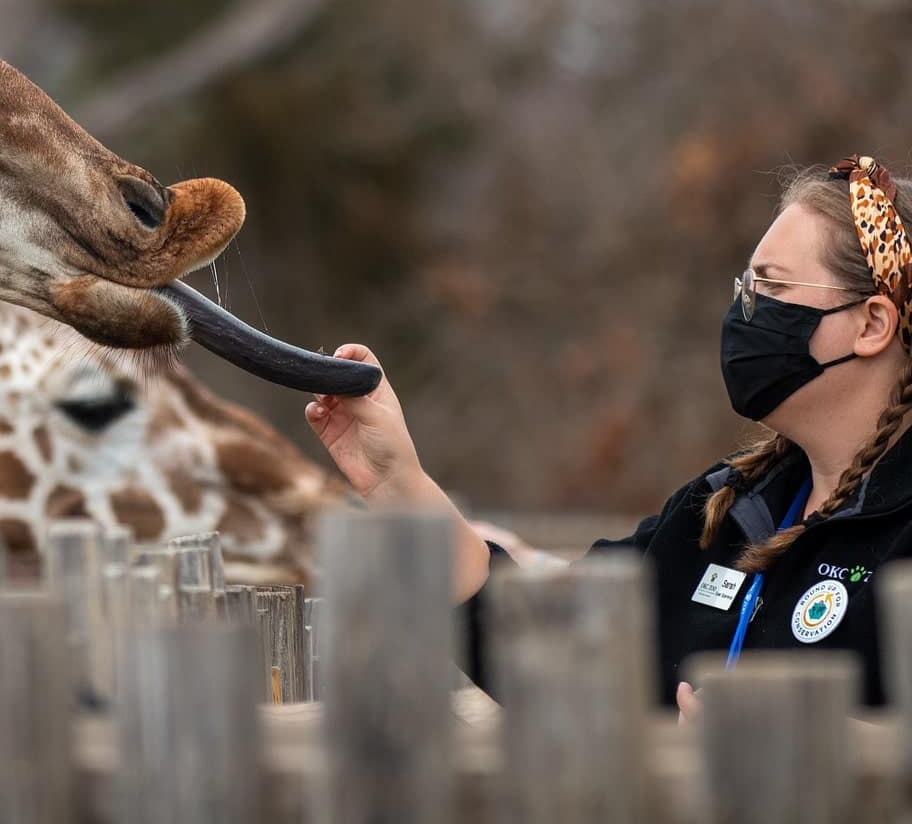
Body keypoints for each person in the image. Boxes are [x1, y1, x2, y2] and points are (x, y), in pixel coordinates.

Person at [305, 156, 912, 713]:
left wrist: (773, 760)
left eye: (772, 289)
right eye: (744, 290)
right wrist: (395, 480)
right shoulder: (726, 510)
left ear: (872, 324)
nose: (744, 314)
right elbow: (540, 641)